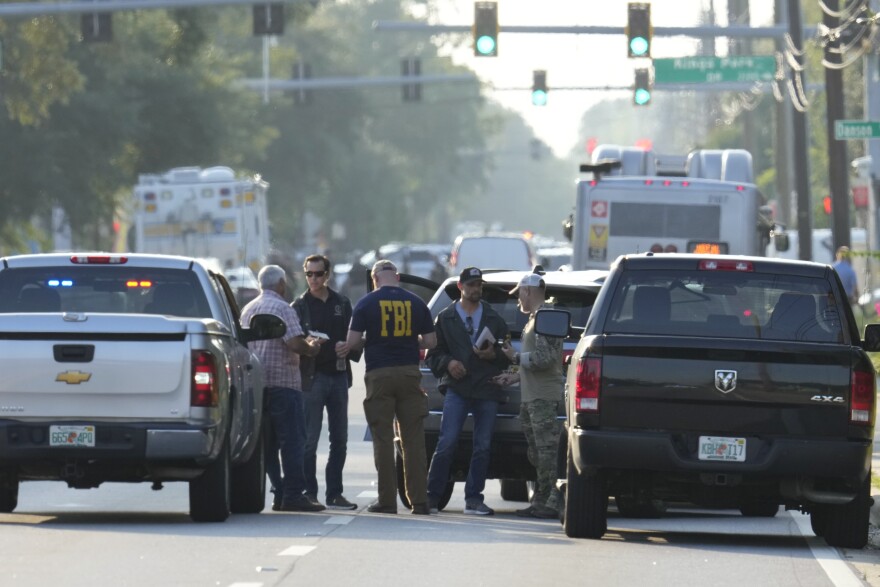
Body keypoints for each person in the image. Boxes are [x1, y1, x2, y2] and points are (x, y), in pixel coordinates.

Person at [346, 260, 437, 515]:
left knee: (383, 438)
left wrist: (371, 338)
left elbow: (352, 342)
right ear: (397, 277)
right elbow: (430, 341)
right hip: (410, 374)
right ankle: (419, 501)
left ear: (375, 279)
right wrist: (408, 339)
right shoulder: (416, 303)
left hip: (379, 374)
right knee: (414, 440)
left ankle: (387, 501)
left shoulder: (366, 303)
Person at [425, 267, 510, 515]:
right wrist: (449, 364)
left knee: (482, 445)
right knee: (447, 442)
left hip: (486, 388)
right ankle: (431, 496)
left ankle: (474, 498)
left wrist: (493, 354)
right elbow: (432, 354)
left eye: (479, 285)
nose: (476, 289)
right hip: (457, 388)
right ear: (461, 287)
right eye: (471, 285)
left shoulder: (494, 319)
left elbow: (507, 357)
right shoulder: (446, 317)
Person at [240, 265, 326, 513]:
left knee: (267, 444)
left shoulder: (248, 309)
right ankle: (293, 494)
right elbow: (295, 343)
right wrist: (312, 347)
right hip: (284, 385)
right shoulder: (283, 308)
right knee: (293, 441)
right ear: (280, 284)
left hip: (257, 385)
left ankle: (279, 491)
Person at [292, 254, 361, 511]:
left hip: (339, 375)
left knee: (339, 438)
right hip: (312, 378)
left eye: (318, 274)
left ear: (327, 274)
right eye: (309, 274)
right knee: (309, 439)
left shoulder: (342, 303)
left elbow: (356, 337)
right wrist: (308, 346)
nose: (314, 279)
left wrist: (349, 346)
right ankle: (309, 492)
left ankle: (335, 493)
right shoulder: (299, 305)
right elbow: (291, 342)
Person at [496, 273, 564, 519]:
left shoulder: (547, 318)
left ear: (528, 291)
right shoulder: (536, 319)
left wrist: (514, 358)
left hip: (543, 397)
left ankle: (552, 501)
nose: (518, 302)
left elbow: (544, 359)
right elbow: (536, 359)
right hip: (532, 396)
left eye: (519, 295)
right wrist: (514, 376)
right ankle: (541, 499)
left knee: (547, 452)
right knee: (537, 452)